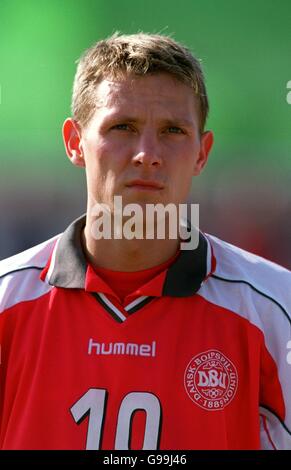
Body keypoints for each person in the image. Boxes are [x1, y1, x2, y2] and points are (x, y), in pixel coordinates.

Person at [0, 32, 290, 451]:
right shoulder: (8, 303)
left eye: (173, 130)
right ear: (74, 142)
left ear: (201, 153)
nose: (147, 153)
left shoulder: (276, 309)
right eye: (123, 126)